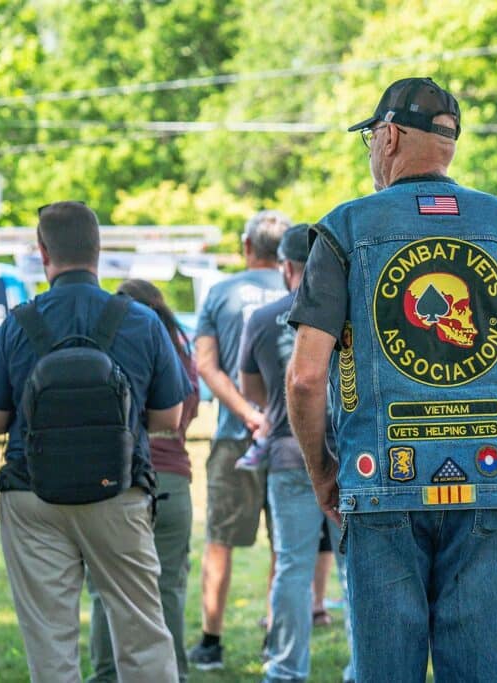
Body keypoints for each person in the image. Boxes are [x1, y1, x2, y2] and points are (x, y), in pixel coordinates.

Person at [286, 77, 497, 682]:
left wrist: (324, 473)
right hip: (488, 481)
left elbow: (305, 377)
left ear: (390, 135)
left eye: (372, 140)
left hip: (380, 484)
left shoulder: (343, 230)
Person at [0, 201, 189, 683]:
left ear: (42, 253)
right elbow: (169, 415)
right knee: (143, 635)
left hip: (33, 495)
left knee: (51, 644)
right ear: (98, 250)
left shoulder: (18, 322)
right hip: (120, 491)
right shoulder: (141, 321)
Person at [239, 224, 354, 683]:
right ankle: (362, 667)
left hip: (289, 456)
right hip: (346, 456)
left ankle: (285, 670)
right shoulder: (349, 313)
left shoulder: (263, 318)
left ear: (286, 267)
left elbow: (253, 389)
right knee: (354, 569)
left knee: (291, 565)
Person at [188, 210, 290, 670]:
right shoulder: (300, 291)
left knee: (220, 540)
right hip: (292, 437)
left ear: (246, 245)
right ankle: (275, 635)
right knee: (285, 544)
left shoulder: (219, 293)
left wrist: (248, 414)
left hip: (235, 437)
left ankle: (211, 641)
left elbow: (205, 366)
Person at [85, 278, 200, 683]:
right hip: (172, 479)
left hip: (118, 480)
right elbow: (186, 414)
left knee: (106, 588)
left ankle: (105, 675)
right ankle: (175, 674)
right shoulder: (181, 355)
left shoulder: (110, 351)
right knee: (167, 586)